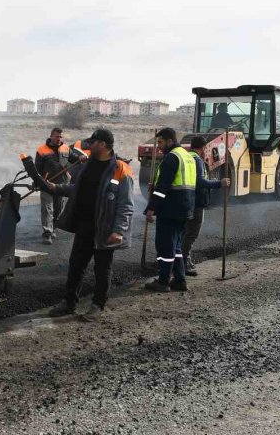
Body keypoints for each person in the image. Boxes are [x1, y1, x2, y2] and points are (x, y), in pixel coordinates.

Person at [45, 128, 134, 321]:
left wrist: (119, 230)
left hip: (105, 229)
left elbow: (126, 205)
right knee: (76, 265)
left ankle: (98, 305)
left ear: (103, 144)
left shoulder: (120, 169)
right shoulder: (88, 164)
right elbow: (78, 189)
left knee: (102, 269)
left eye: (92, 143)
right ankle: (69, 303)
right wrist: (57, 188)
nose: (89, 146)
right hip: (84, 225)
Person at [144, 128, 196, 292]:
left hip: (171, 209)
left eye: (160, 142)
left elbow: (163, 187)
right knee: (176, 247)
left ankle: (163, 281)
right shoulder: (187, 156)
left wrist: (151, 208)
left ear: (170, 141)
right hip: (185, 208)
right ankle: (180, 280)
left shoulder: (171, 158)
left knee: (165, 245)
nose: (158, 146)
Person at [182, 136, 230, 276]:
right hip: (196, 202)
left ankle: (183, 261)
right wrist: (219, 183)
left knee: (185, 233)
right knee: (191, 235)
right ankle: (184, 263)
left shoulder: (185, 157)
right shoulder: (197, 160)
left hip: (187, 200)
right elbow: (200, 181)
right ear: (203, 148)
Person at [35, 128, 71, 244]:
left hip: (61, 185)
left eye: (60, 137)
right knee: (47, 209)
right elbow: (37, 169)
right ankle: (47, 233)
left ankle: (53, 227)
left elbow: (73, 158)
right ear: (51, 136)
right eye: (56, 136)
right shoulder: (42, 150)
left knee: (58, 209)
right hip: (47, 184)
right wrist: (38, 182)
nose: (59, 139)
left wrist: (80, 158)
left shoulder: (66, 148)